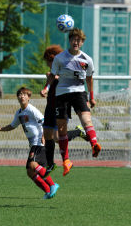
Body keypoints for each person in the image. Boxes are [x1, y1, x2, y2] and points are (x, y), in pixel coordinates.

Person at [41, 28, 102, 176]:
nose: (76, 42)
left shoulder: (87, 60)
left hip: (79, 93)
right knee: (60, 129)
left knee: (86, 119)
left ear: (82, 42)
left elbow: (89, 79)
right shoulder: (60, 58)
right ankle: (66, 161)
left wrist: (92, 97)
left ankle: (94, 144)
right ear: (69, 41)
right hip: (61, 95)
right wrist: (46, 88)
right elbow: (52, 75)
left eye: (78, 40)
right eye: (73, 39)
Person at [0, 87, 59, 199]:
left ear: (29, 97)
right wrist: (1, 129)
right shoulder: (19, 113)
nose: (22, 96)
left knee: (33, 165)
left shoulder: (31, 109)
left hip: (38, 141)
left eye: (24, 94)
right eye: (20, 94)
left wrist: (44, 135)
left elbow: (44, 121)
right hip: (33, 144)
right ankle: (47, 191)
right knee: (30, 172)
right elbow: (12, 125)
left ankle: (53, 185)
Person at [41, 44, 88, 175]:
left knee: (56, 137)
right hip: (50, 106)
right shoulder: (51, 74)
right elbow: (49, 84)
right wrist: (45, 90)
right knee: (47, 135)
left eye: (49, 61)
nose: (48, 64)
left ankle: (78, 132)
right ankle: (50, 164)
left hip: (61, 106)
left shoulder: (65, 72)